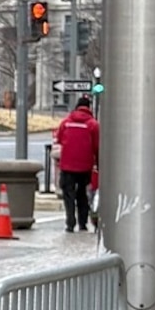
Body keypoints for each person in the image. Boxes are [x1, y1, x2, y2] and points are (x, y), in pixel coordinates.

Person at [55, 99, 100, 234]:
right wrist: (98, 164)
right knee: (82, 194)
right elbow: (97, 147)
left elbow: (59, 139)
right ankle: (82, 223)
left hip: (67, 165)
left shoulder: (66, 122)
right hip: (85, 166)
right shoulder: (93, 125)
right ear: (88, 108)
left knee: (68, 194)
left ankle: (70, 222)